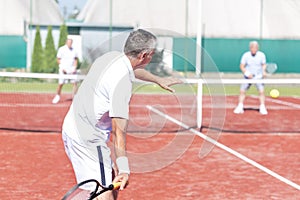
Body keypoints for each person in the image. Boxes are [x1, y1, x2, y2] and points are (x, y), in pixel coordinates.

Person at [62, 29, 181, 200]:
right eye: (151, 55)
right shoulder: (122, 83)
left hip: (72, 128)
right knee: (104, 193)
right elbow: (119, 131)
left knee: (104, 183)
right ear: (144, 55)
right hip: (88, 139)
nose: (152, 58)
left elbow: (134, 70)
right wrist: (124, 168)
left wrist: (158, 80)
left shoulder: (110, 57)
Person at [233, 41, 268, 115]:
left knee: (261, 92)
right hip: (247, 77)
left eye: (255, 47)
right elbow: (242, 66)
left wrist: (264, 71)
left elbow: (263, 65)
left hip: (258, 77)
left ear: (257, 48)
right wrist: (247, 73)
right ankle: (240, 106)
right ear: (250, 48)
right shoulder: (246, 55)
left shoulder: (262, 55)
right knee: (242, 91)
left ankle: (262, 107)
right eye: (252, 47)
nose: (254, 49)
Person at [52, 38, 78, 104]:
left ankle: (75, 98)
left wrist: (74, 68)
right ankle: (57, 96)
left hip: (71, 70)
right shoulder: (61, 49)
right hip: (63, 69)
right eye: (68, 42)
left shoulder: (74, 50)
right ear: (66, 42)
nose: (69, 44)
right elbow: (58, 59)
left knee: (74, 83)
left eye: (70, 43)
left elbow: (75, 59)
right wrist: (62, 68)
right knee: (61, 84)